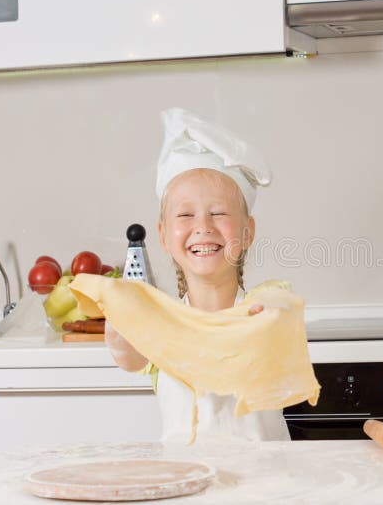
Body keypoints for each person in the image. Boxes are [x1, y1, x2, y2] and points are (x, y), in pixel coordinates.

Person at [105, 107, 290, 442]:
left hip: (264, 489)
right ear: (163, 235)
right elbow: (128, 355)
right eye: (186, 215)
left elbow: (277, 327)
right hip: (187, 488)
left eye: (218, 213)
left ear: (247, 231)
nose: (203, 227)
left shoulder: (266, 303)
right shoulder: (157, 323)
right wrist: (120, 319)